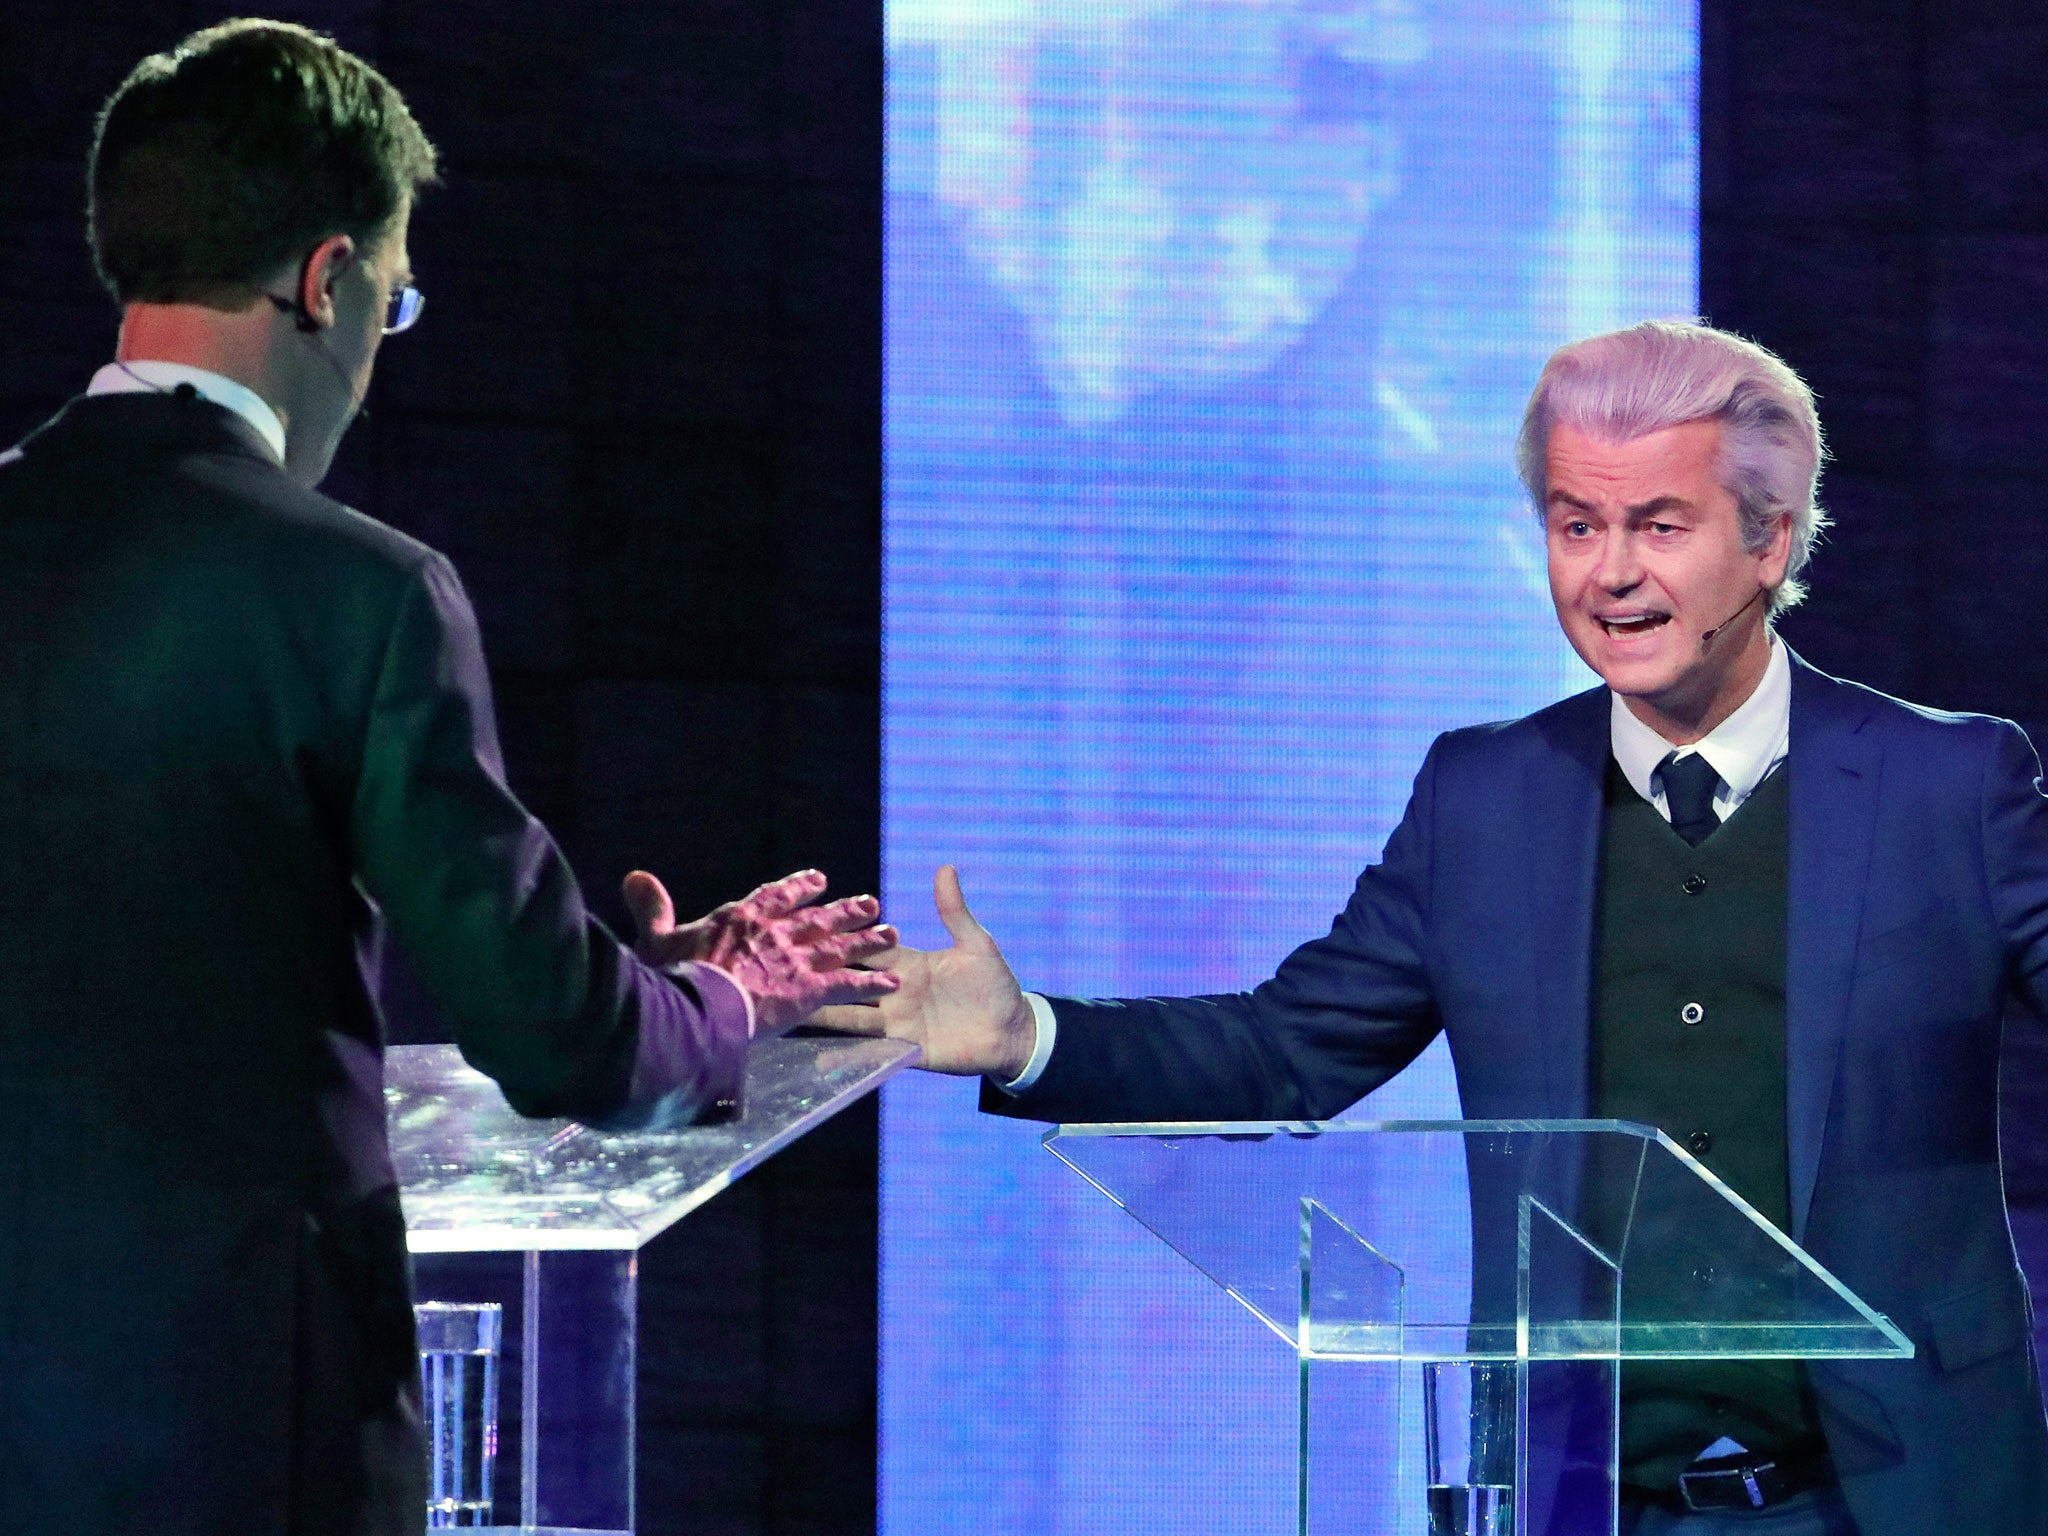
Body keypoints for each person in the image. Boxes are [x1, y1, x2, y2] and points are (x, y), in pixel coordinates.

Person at [817, 319, 2048, 1535]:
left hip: (1902, 1493)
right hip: (1587, 1500)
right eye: (1575, 525)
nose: (1608, 573)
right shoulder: (1483, 798)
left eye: (1656, 526)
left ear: (1769, 538)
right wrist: (1026, 1034)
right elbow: (1286, 1047)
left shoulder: (1947, 790)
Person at [0, 20, 897, 1535]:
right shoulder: (361, 595)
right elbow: (559, 1040)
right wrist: (723, 1001)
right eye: (393, 304)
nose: (374, 352)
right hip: (241, 1444)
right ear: (328, 280)